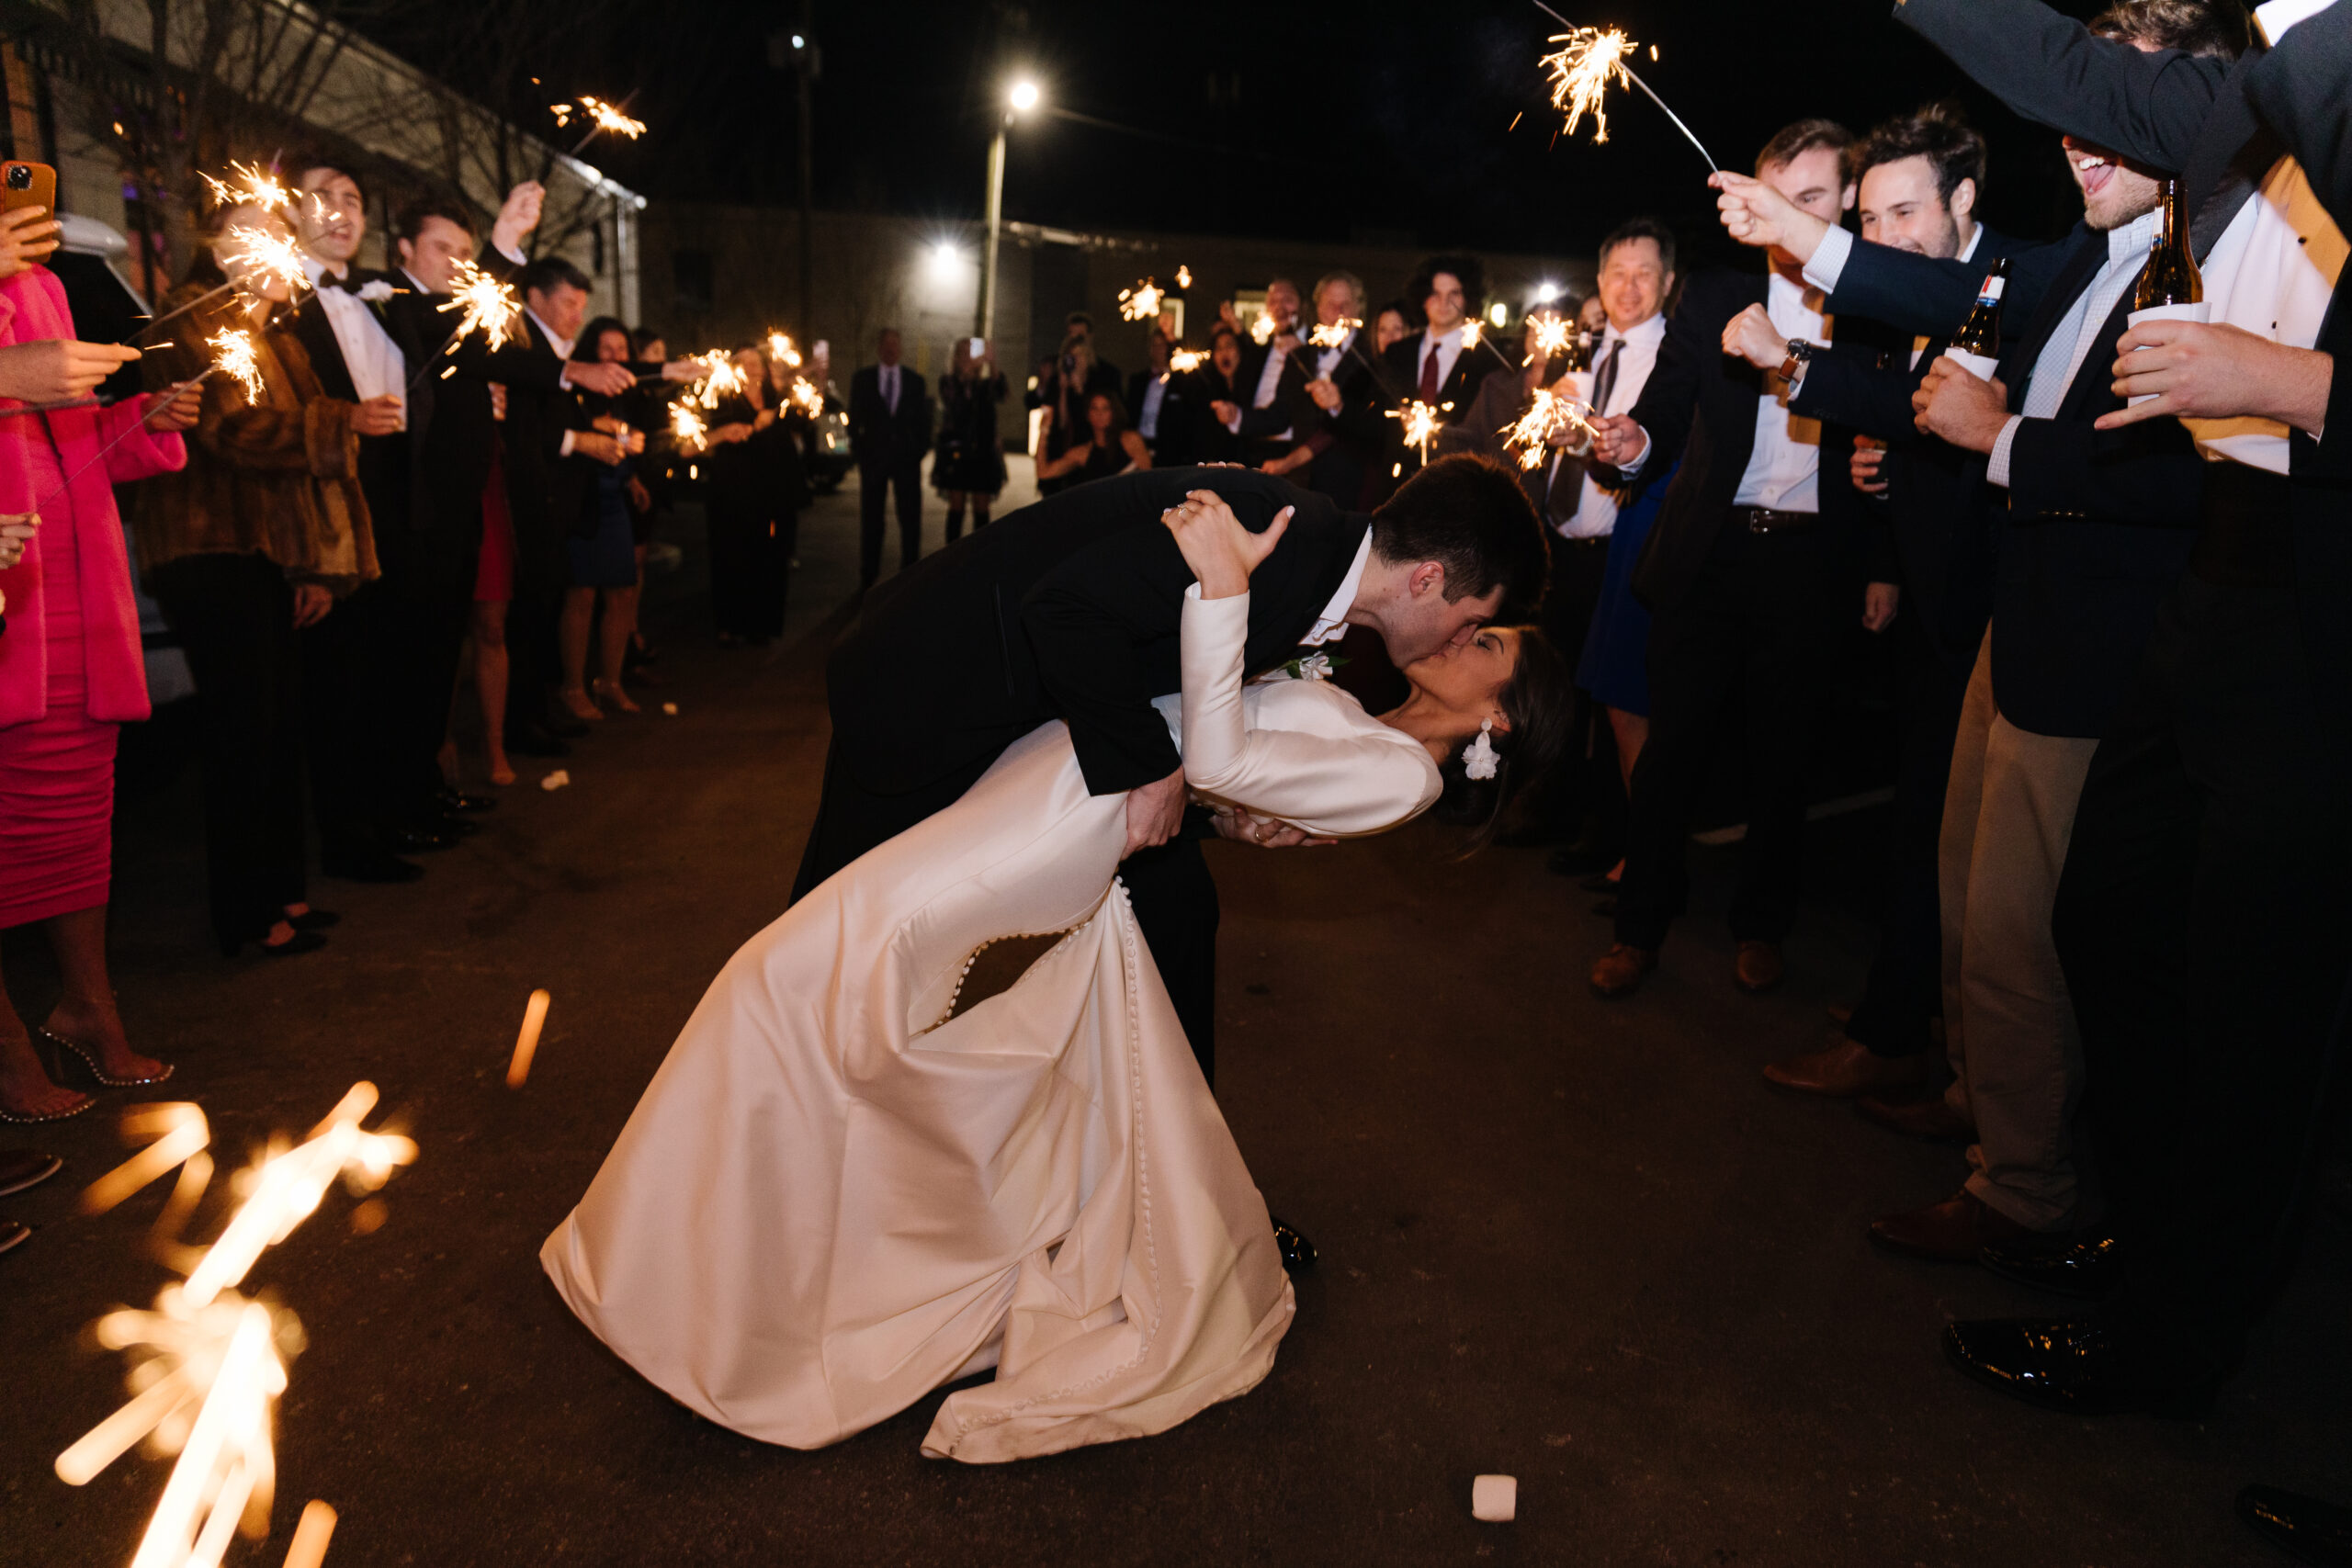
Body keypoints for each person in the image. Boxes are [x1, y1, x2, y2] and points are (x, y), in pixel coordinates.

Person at [543, 484, 1571, 1461]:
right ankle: (773, 1253)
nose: (1462, 638)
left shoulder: (1400, 775)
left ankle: (714, 1284)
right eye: (1479, 622)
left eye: (1489, 647)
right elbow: (1229, 755)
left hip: (1075, 813)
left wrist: (1222, 595)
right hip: (1063, 771)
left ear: (1500, 720)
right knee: (849, 992)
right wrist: (1246, 798)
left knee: (799, 981)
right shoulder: (1371, 725)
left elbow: (1212, 757)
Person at [1888, 0, 2351, 1433]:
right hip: (2222, 583)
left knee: (2258, 1009)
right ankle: (2154, 1244)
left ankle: (2176, 1337)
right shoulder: (2278, 82)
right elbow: (2101, 91)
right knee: (2107, 919)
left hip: (2316, 603)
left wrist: (2292, 384)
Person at [791, 452, 1549, 1142]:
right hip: (932, 689)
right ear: (1426, 579)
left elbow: (1186, 685)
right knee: (828, 951)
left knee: (1176, 914)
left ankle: (1169, 1185)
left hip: (1031, 729)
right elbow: (1066, 610)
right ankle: (783, 1125)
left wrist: (1227, 811)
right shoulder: (1268, 538)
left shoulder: (1309, 565)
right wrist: (1158, 773)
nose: (1458, 639)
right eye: (1473, 621)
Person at [1740, 106, 2014, 1109]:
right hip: (1936, 596)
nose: (1885, 239)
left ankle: (1921, 1043)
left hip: (1995, 612)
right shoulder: (1917, 300)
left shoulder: (2006, 284)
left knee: (1968, 855)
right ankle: (1915, 1022)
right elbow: (1917, 406)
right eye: (1870, 218)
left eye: (1904, 214)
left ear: (1964, 202)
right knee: (1927, 829)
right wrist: (1896, 462)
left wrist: (1789, 361)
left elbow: (1992, 419)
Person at [1584, 118, 1881, 1000]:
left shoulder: (1873, 298)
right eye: (1779, 199)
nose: (1794, 217)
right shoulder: (1713, 293)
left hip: (1811, 559)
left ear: (1849, 205)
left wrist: (1883, 564)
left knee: (1783, 757)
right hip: (1710, 553)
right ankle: (1639, 929)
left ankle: (1762, 926)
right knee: (1672, 750)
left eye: (1815, 200)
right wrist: (1633, 443)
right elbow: (1666, 412)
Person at [134, 206, 379, 953]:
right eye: (251, 232)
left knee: (277, 726)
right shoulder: (186, 321)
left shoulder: (274, 335)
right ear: (215, 246)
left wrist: (313, 569)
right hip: (210, 552)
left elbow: (296, 478)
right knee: (242, 732)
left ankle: (283, 895)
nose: (274, 244)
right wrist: (343, 424)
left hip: (269, 554)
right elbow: (229, 430)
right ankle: (246, 916)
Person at [0, 214, 196, 1126]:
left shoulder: (41, 283)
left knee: (76, 810)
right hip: (9, 594)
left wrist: (132, 421)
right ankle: (7, 1053)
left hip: (68, 583)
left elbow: (61, 441)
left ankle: (87, 1006)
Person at [500, 255, 636, 753]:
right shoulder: (521, 345)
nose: (578, 316)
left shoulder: (554, 349)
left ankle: (540, 711)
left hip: (558, 503)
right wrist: (580, 441)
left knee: (544, 611)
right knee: (528, 616)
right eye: (569, 304)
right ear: (535, 297)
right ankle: (523, 722)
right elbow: (523, 427)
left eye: (583, 306)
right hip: (529, 500)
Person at [557, 318, 647, 716]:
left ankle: (611, 682)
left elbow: (630, 436)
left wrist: (632, 472)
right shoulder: (576, 386)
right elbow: (555, 426)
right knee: (582, 593)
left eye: (621, 349)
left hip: (615, 494)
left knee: (623, 591)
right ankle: (573, 687)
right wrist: (595, 426)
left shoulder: (627, 391)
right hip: (584, 495)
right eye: (606, 348)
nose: (615, 356)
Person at [1380, 256, 1492, 491]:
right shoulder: (1397, 352)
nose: (1444, 302)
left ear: (1468, 299)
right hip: (1395, 486)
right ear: (1422, 299)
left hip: (1456, 486)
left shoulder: (1486, 360)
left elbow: (1484, 432)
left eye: (1454, 293)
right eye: (1435, 293)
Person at [847, 328, 931, 587]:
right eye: (887, 344)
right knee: (872, 519)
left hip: (906, 461)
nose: (891, 349)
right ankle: (869, 573)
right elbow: (853, 421)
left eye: (895, 344)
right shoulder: (863, 379)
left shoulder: (915, 381)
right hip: (874, 462)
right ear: (879, 348)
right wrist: (861, 454)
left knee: (910, 518)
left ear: (901, 347)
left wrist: (917, 451)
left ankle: (910, 572)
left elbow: (924, 423)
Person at [934, 335, 1007, 538]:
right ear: (956, 358)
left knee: (981, 508)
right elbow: (954, 405)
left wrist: (992, 362)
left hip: (982, 452)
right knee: (956, 507)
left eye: (972, 352)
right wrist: (967, 373)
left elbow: (1001, 393)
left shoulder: (985, 385)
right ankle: (952, 554)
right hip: (956, 451)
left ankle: (980, 556)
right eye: (964, 353)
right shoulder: (948, 382)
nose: (969, 358)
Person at [1035, 389, 1149, 486]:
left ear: (1114, 412)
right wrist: (1044, 429)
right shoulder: (1083, 452)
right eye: (1095, 408)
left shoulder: (1130, 440)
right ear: (1088, 414)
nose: (1100, 414)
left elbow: (1148, 480)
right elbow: (1043, 472)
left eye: (1105, 408)